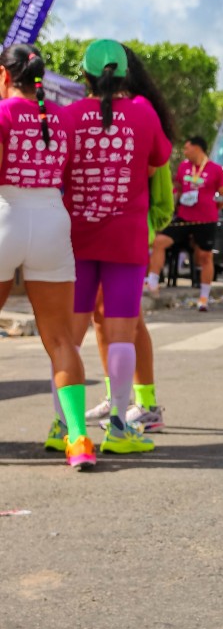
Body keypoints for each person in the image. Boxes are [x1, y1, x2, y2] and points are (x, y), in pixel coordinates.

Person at [62, 39, 173, 454]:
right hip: (127, 238)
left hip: (76, 236)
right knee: (123, 332)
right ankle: (119, 429)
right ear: (127, 73)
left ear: (85, 75)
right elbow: (158, 159)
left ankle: (65, 428)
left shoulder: (69, 115)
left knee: (69, 338)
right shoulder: (144, 112)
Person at [0, 44, 93, 471]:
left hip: (5, 215)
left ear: (6, 76)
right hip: (52, 219)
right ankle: (78, 439)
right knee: (60, 340)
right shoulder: (63, 118)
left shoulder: (3, 113)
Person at [148, 134, 223, 311]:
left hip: (206, 220)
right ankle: (152, 283)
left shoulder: (215, 169)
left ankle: (204, 298)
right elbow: (177, 187)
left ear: (197, 148)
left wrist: (213, 206)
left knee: (205, 257)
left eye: (187, 148)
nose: (184, 151)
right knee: (159, 242)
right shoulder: (184, 167)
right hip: (184, 218)